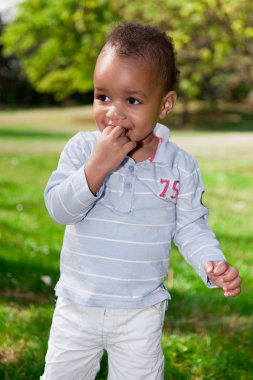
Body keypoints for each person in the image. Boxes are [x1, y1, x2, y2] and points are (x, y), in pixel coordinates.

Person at [41, 22, 241, 380]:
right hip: (78, 304)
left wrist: (212, 263)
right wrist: (96, 168)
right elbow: (59, 209)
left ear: (165, 104)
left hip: (140, 311)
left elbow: (191, 227)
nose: (113, 113)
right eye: (103, 97)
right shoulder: (82, 150)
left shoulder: (179, 166)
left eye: (132, 100)